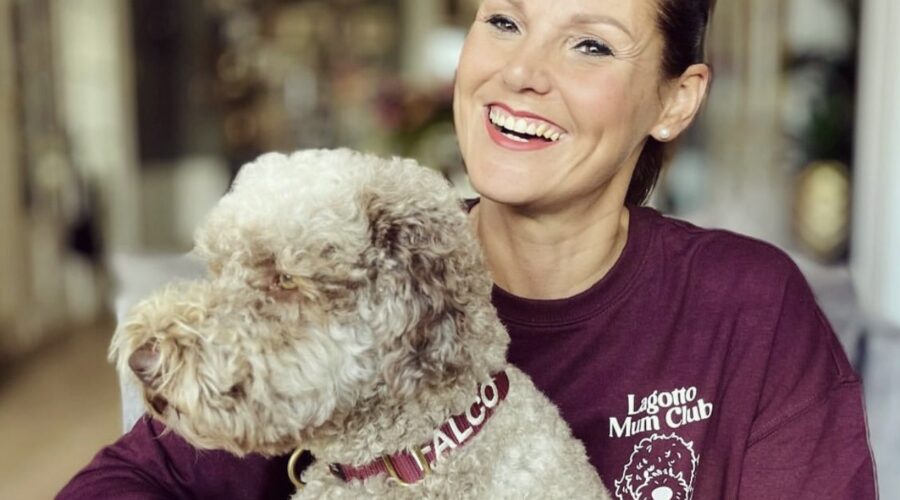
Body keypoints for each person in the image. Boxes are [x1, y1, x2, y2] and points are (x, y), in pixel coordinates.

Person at [59, 0, 877, 498]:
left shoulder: (747, 306)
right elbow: (132, 481)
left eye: (588, 42)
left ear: (674, 98)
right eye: (504, 21)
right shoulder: (357, 277)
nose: (522, 71)